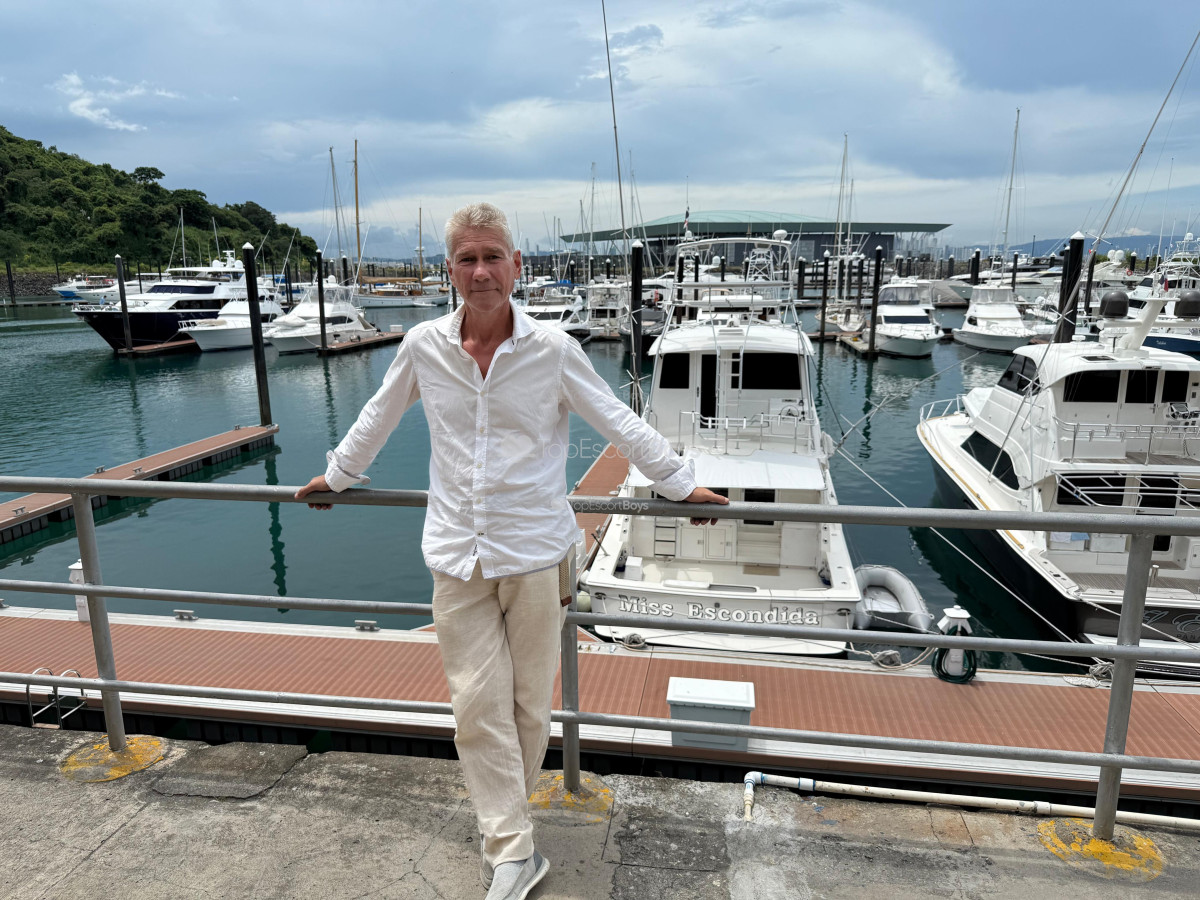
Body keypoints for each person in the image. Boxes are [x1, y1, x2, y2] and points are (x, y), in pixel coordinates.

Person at [296, 202, 726, 900]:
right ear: (450, 270)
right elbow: (379, 414)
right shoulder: (424, 347)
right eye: (467, 259)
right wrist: (338, 476)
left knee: (529, 708)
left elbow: (618, 420)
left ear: (516, 265)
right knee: (476, 707)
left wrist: (679, 485)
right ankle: (513, 851)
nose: (481, 271)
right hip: (457, 557)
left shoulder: (553, 350)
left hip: (535, 556)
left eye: (492, 256)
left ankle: (507, 836)